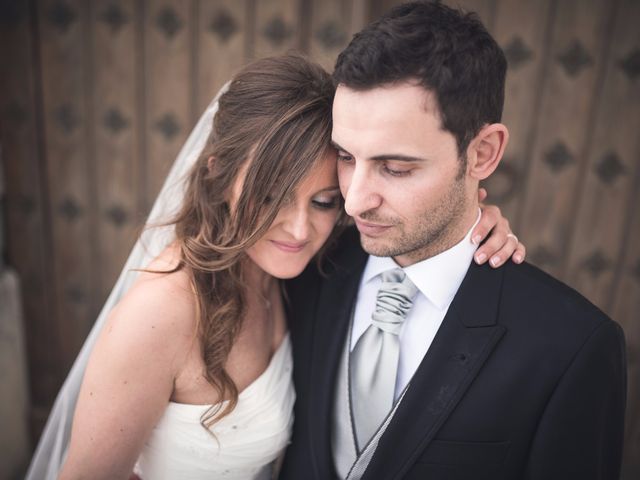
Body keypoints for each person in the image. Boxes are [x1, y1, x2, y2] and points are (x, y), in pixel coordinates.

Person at [26, 54, 523, 480]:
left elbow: (414, 233)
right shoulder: (163, 312)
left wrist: (474, 226)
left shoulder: (309, 269)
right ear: (219, 175)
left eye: (326, 201)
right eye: (270, 198)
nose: (300, 229)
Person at [279, 3, 627, 480]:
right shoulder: (301, 268)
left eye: (396, 168)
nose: (355, 200)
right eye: (345, 156)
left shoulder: (571, 347)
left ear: (483, 153)